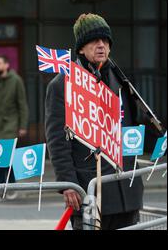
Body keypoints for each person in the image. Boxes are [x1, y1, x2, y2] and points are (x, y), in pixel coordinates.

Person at [45, 13, 144, 230]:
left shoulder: (121, 80)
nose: (101, 45)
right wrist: (68, 184)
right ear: (81, 48)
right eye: (94, 41)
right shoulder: (62, 84)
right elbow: (57, 140)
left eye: (105, 40)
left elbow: (132, 127)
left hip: (126, 189)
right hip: (89, 189)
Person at [0, 55, 29, 199]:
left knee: (8, 159)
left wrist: (23, 126)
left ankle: (11, 187)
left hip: (10, 125)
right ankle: (0, 189)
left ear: (6, 65)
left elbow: (22, 104)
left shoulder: (16, 80)